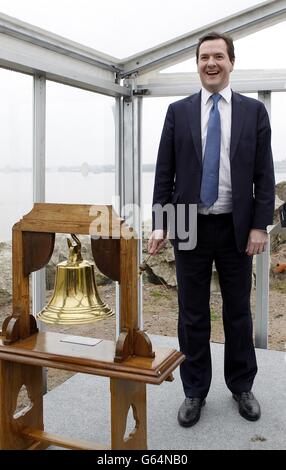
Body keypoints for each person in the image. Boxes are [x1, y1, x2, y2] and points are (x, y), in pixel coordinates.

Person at [148, 31, 275, 427]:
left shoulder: (254, 112)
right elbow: (164, 173)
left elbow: (264, 175)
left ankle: (241, 386)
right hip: (189, 224)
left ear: (231, 62)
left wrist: (259, 225)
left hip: (237, 228)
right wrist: (161, 223)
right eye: (204, 57)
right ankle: (194, 391)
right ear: (198, 64)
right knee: (192, 313)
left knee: (237, 312)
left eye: (218, 56)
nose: (211, 63)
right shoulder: (179, 111)